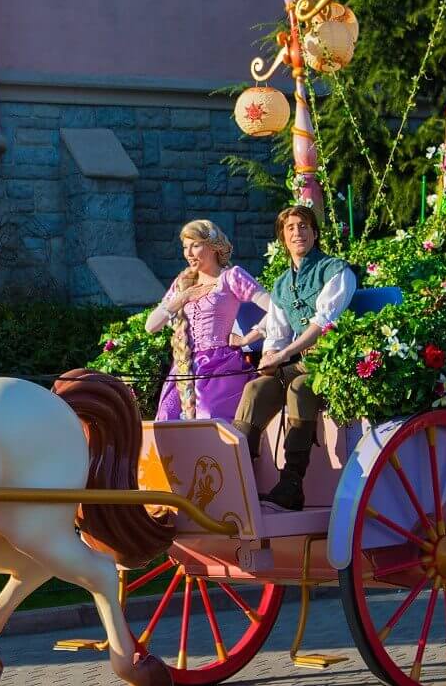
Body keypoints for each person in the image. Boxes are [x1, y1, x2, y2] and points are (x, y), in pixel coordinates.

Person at [231, 205, 356, 511]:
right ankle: (238, 482)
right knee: (256, 389)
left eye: (303, 226)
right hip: (296, 362)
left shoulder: (337, 271)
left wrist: (284, 354)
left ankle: (292, 484)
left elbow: (322, 324)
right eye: (290, 228)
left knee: (300, 387)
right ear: (282, 238)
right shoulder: (281, 284)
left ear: (314, 233)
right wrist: (271, 355)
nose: (297, 233)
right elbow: (277, 333)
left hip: (330, 362)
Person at [146, 220, 270, 422]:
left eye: (195, 245)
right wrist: (182, 298)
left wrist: (250, 337)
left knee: (208, 418)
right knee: (166, 419)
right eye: (185, 247)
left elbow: (276, 307)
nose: (189, 253)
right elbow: (151, 326)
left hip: (220, 365)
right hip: (184, 367)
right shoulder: (182, 284)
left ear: (212, 246)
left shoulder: (231, 277)